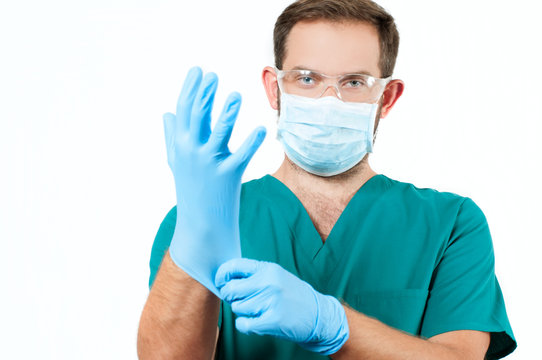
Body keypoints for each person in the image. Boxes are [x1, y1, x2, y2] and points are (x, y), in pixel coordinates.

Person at [137, 0, 516, 359]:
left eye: (354, 82)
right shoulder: (200, 220)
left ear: (387, 97)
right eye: (306, 79)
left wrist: (332, 323)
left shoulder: (450, 223)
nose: (328, 100)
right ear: (274, 88)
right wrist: (196, 231)